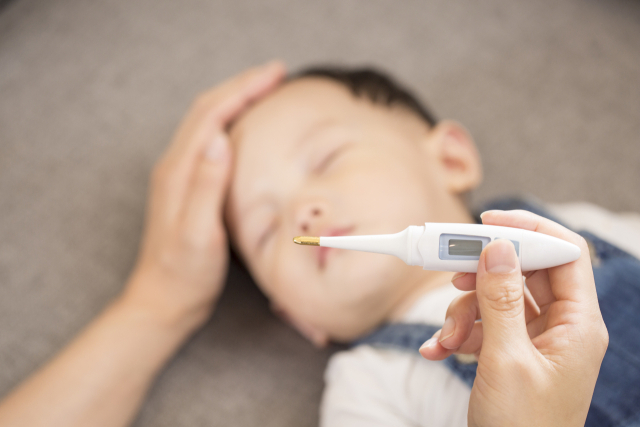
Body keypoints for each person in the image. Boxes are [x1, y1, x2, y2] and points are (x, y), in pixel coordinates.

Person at [0, 61, 632, 427]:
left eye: (327, 157)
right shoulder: (368, 389)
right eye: (268, 229)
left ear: (450, 157)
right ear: (299, 319)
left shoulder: (563, 227)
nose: (304, 207)